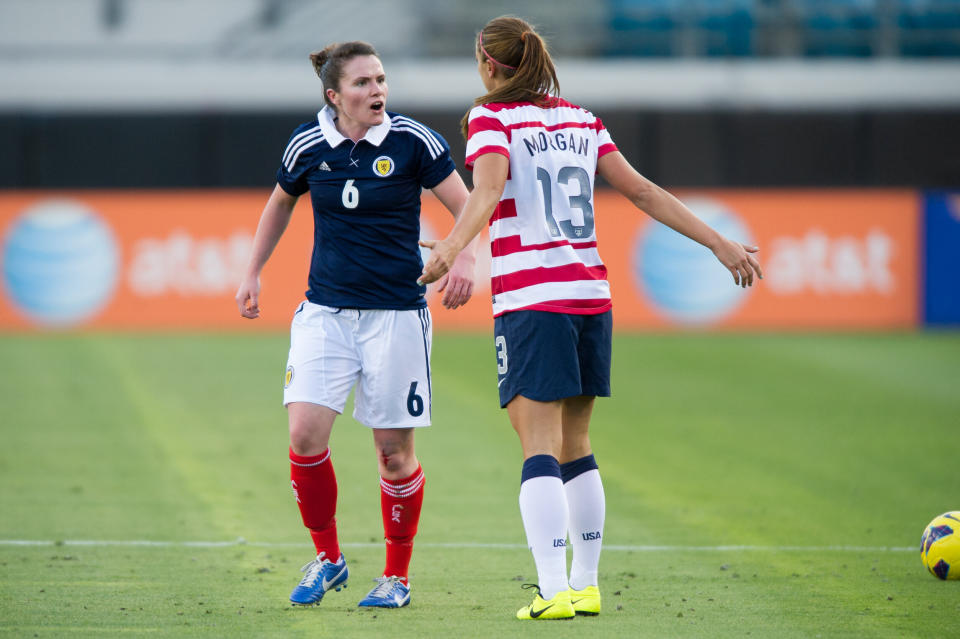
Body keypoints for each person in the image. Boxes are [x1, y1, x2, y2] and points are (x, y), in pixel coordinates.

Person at [418, 16, 762, 621]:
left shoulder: (490, 118)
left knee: (538, 448)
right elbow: (644, 192)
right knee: (577, 444)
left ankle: (551, 591)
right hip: (589, 296)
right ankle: (585, 583)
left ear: (488, 63)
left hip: (533, 299)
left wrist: (452, 248)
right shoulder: (581, 119)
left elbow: (488, 188)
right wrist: (717, 242)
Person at [235, 40, 477, 610]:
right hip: (325, 314)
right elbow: (279, 203)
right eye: (364, 83)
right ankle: (329, 559)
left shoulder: (413, 141)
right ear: (334, 95)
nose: (377, 91)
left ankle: (396, 576)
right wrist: (252, 271)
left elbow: (468, 204)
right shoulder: (307, 144)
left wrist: (462, 257)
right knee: (303, 436)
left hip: (397, 315)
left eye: (381, 80)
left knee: (393, 453)